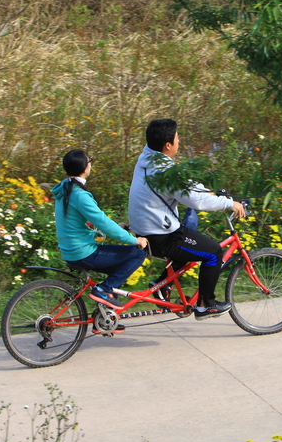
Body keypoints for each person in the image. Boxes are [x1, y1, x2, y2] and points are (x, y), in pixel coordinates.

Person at [128, 118, 245, 318]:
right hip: (160, 237)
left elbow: (184, 183)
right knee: (213, 252)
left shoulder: (147, 158)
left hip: (145, 230)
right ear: (167, 145)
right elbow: (194, 201)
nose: (179, 142)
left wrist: (209, 192)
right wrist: (228, 203)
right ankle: (205, 304)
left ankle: (161, 284)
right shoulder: (165, 171)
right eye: (177, 138)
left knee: (191, 237)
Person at [52, 149, 149, 320]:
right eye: (90, 161)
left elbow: (84, 225)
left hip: (71, 251)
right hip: (84, 252)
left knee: (115, 277)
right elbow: (103, 221)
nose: (90, 164)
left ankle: (107, 319)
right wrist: (134, 240)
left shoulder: (66, 190)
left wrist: (109, 230)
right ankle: (103, 290)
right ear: (84, 167)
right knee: (137, 254)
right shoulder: (79, 195)